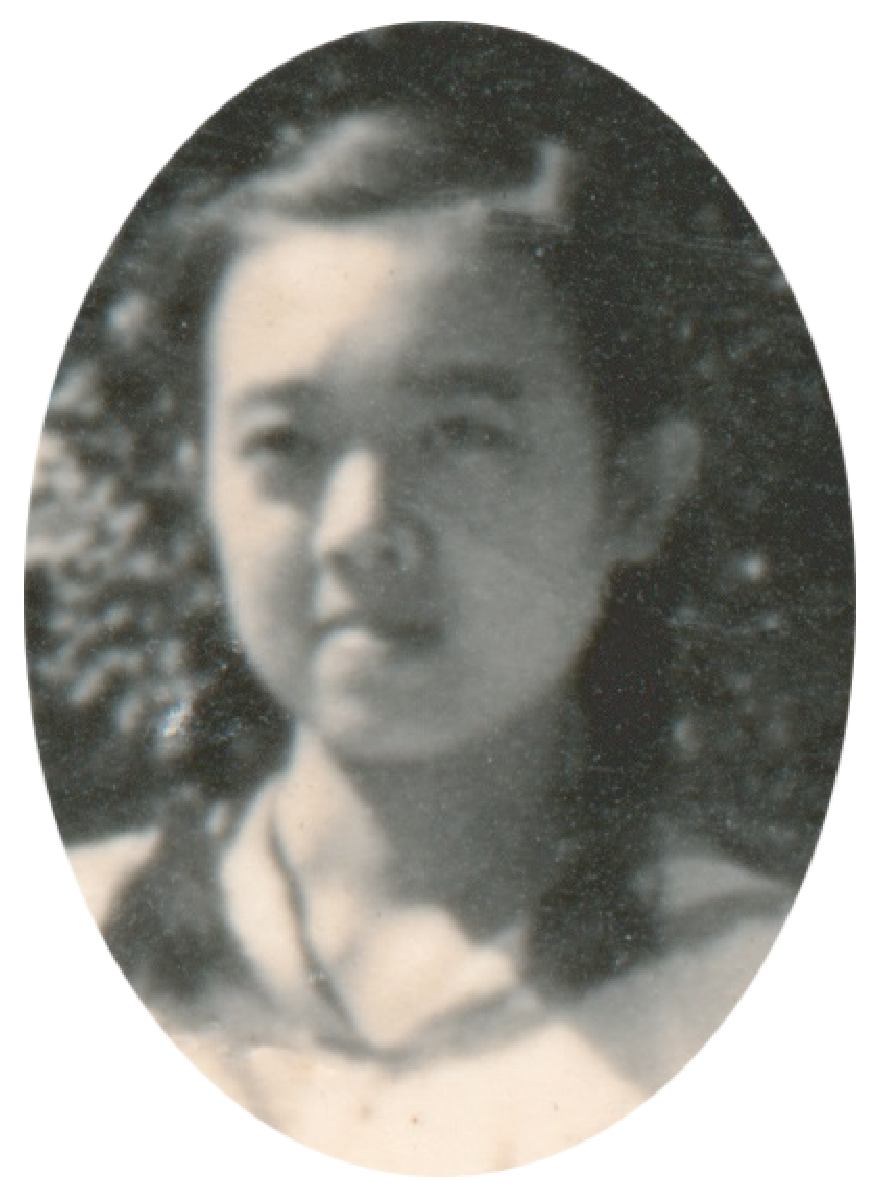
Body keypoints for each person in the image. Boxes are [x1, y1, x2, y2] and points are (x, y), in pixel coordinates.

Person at [45, 94, 809, 1173]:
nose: (362, 530)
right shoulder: (106, 921)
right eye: (284, 442)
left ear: (635, 492)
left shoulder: (728, 975)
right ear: (202, 490)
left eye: (461, 434)